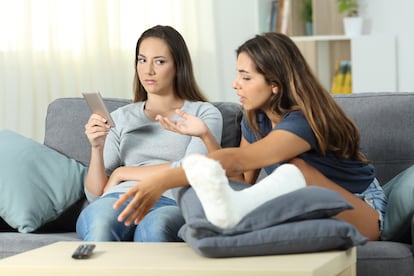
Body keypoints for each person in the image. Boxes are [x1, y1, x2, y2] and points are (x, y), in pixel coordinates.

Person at [113, 32, 387, 241]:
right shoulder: (255, 118)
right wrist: (206, 136)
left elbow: (240, 159)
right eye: (237, 75)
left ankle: (240, 216)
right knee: (280, 185)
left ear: (275, 84)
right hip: (315, 203)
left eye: (245, 77)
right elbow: (241, 179)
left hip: (364, 208)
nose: (235, 84)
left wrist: (162, 179)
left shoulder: (301, 122)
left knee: (297, 170)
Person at [75, 25, 223, 242]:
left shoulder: (202, 113)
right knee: (99, 224)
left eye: (160, 61)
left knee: (155, 228)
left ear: (178, 66)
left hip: (172, 199)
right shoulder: (121, 117)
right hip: (119, 198)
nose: (148, 70)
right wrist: (96, 148)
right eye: (142, 60)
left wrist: (123, 172)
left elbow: (192, 168)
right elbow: (96, 194)